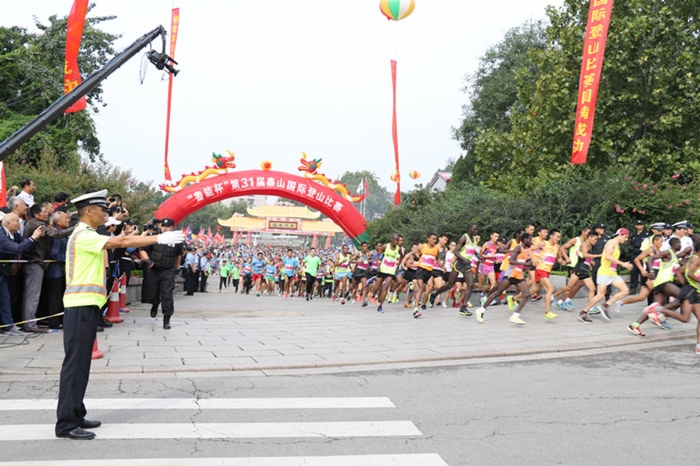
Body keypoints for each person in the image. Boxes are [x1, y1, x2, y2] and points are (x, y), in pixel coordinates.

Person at [56, 189, 185, 440]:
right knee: (75, 365)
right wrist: (158, 239)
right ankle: (66, 424)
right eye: (102, 210)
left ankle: (76, 412)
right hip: (80, 305)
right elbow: (123, 244)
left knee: (81, 364)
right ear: (89, 211)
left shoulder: (89, 234)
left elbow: (121, 241)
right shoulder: (84, 235)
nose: (106, 213)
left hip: (86, 305)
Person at [22, 203, 74, 332]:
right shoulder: (36, 224)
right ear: (36, 215)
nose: (47, 214)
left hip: (37, 263)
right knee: (32, 295)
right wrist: (75, 228)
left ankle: (31, 323)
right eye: (44, 212)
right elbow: (56, 235)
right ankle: (30, 325)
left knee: (33, 295)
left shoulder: (35, 223)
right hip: (34, 262)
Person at [579, 228, 633, 322]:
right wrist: (623, 264)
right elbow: (607, 256)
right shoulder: (611, 243)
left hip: (612, 273)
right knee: (600, 295)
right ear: (620, 234)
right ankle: (583, 312)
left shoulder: (616, 244)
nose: (626, 239)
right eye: (626, 237)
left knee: (625, 291)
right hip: (604, 272)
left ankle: (605, 305)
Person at [0, 214, 43, 333]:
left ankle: (8, 326)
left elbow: (26, 245)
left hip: (2, 272)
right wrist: (33, 238)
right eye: (16, 221)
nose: (19, 223)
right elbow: (17, 248)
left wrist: (36, 237)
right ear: (8, 224)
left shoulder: (14, 235)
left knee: (5, 299)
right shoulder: (1, 236)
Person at [139, 218, 183, 329]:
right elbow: (142, 249)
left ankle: (167, 318)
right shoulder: (154, 237)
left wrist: (176, 267)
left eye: (168, 226)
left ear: (172, 227)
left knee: (167, 294)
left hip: (168, 271)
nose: (165, 228)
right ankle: (155, 304)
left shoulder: (176, 240)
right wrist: (147, 260)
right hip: (154, 270)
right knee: (152, 293)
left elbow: (178, 254)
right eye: (163, 226)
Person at [629, 219, 649, 293]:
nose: (639, 226)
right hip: (634, 255)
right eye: (638, 225)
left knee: (643, 271)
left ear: (643, 226)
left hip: (643, 255)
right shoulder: (633, 235)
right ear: (635, 226)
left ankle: (644, 287)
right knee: (634, 272)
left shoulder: (646, 235)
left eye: (641, 225)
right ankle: (633, 288)